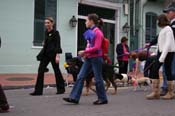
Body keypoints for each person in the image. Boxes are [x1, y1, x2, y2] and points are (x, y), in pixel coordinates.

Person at [63, 13, 108, 105]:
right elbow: (90, 45)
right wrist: (85, 53)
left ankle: (103, 99)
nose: (85, 22)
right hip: (89, 58)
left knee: (98, 78)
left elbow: (97, 47)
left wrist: (84, 52)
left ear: (91, 21)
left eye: (86, 20)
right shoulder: (91, 31)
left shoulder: (98, 32)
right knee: (80, 76)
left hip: (96, 58)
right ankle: (74, 98)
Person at [30, 17, 65, 96]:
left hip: (53, 54)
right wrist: (44, 42)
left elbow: (58, 44)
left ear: (52, 23)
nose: (46, 24)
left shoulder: (56, 32)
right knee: (40, 70)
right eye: (45, 23)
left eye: (48, 23)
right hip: (45, 54)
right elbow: (48, 41)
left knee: (57, 71)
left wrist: (57, 55)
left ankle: (61, 89)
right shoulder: (46, 32)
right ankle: (38, 91)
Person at [146, 14, 175, 100]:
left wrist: (162, 57)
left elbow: (167, 44)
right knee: (165, 71)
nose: (157, 22)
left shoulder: (168, 29)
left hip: (167, 53)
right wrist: (151, 45)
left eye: (158, 21)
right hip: (163, 53)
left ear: (161, 21)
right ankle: (159, 92)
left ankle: (167, 92)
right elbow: (159, 42)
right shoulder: (164, 30)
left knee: (158, 69)